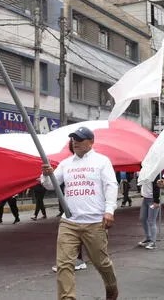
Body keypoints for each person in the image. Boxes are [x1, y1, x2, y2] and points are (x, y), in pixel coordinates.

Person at [40, 126, 119, 300]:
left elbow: (111, 186)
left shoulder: (102, 161)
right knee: (64, 265)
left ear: (91, 142)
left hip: (94, 222)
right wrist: (46, 175)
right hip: (69, 222)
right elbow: (50, 185)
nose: (75, 142)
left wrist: (109, 211)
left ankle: (111, 286)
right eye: (73, 139)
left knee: (102, 263)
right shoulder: (66, 164)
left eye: (79, 139)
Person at [138, 167, 161, 250]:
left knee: (151, 220)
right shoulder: (144, 170)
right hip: (146, 198)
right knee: (143, 218)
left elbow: (157, 187)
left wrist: (156, 201)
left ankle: (153, 242)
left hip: (152, 199)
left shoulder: (155, 171)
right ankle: (148, 238)